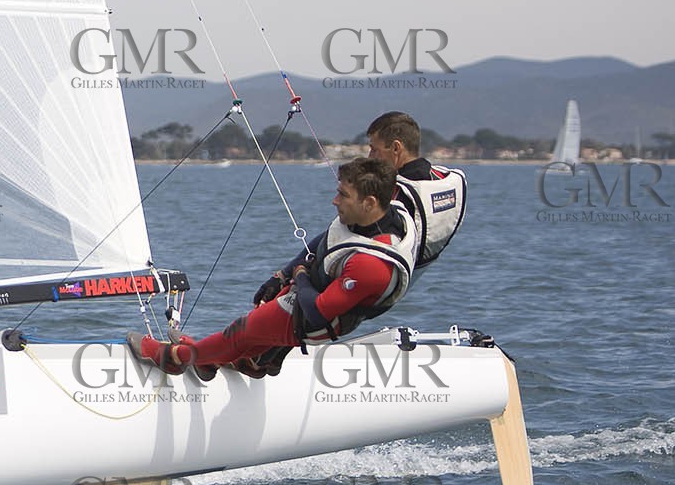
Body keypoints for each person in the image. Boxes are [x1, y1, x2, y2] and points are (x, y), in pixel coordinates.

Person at [131, 157, 420, 378]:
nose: (335, 200)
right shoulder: (376, 216)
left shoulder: (371, 265)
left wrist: (301, 277)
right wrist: (283, 274)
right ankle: (231, 360)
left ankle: (177, 357)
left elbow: (318, 313)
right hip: (310, 291)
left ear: (369, 202)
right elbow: (329, 239)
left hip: (314, 319)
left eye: (343, 195)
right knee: (255, 325)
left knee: (240, 331)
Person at [364, 111, 466, 272]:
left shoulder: (400, 195)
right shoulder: (439, 179)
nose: (369, 157)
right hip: (423, 262)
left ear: (396, 148)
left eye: (374, 149)